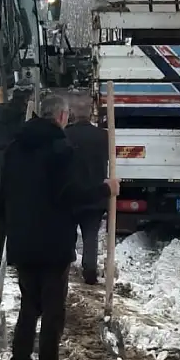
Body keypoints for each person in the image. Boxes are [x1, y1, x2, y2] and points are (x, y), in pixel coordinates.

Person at [1, 95, 120, 360]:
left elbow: (5, 191)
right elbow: (71, 194)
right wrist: (105, 188)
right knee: (53, 308)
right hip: (53, 242)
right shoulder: (61, 150)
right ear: (62, 117)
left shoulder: (14, 149)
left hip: (22, 239)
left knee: (29, 304)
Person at [0, 91, 33, 266]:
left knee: (1, 216)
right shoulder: (23, 118)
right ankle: (12, 254)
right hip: (14, 168)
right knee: (17, 215)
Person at [65, 113, 109, 285]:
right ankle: (90, 270)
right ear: (90, 116)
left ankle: (66, 264)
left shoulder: (66, 134)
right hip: (96, 192)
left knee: (69, 231)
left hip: (72, 192)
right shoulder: (103, 135)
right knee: (91, 234)